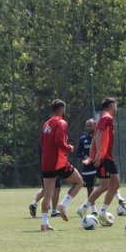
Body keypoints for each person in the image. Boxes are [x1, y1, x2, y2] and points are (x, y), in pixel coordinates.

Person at [77, 98, 126, 224]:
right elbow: (98, 136)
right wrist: (98, 153)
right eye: (116, 105)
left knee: (115, 185)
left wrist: (91, 156)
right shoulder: (106, 118)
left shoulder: (106, 118)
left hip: (108, 156)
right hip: (103, 157)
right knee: (105, 185)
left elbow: (94, 139)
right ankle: (83, 208)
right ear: (111, 105)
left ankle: (102, 212)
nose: (117, 107)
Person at [39, 99, 83, 231]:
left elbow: (42, 143)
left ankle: (44, 223)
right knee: (79, 182)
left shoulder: (45, 124)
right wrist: (69, 148)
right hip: (59, 162)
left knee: (47, 193)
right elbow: (59, 141)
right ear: (61, 109)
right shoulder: (61, 122)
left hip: (46, 162)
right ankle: (63, 205)